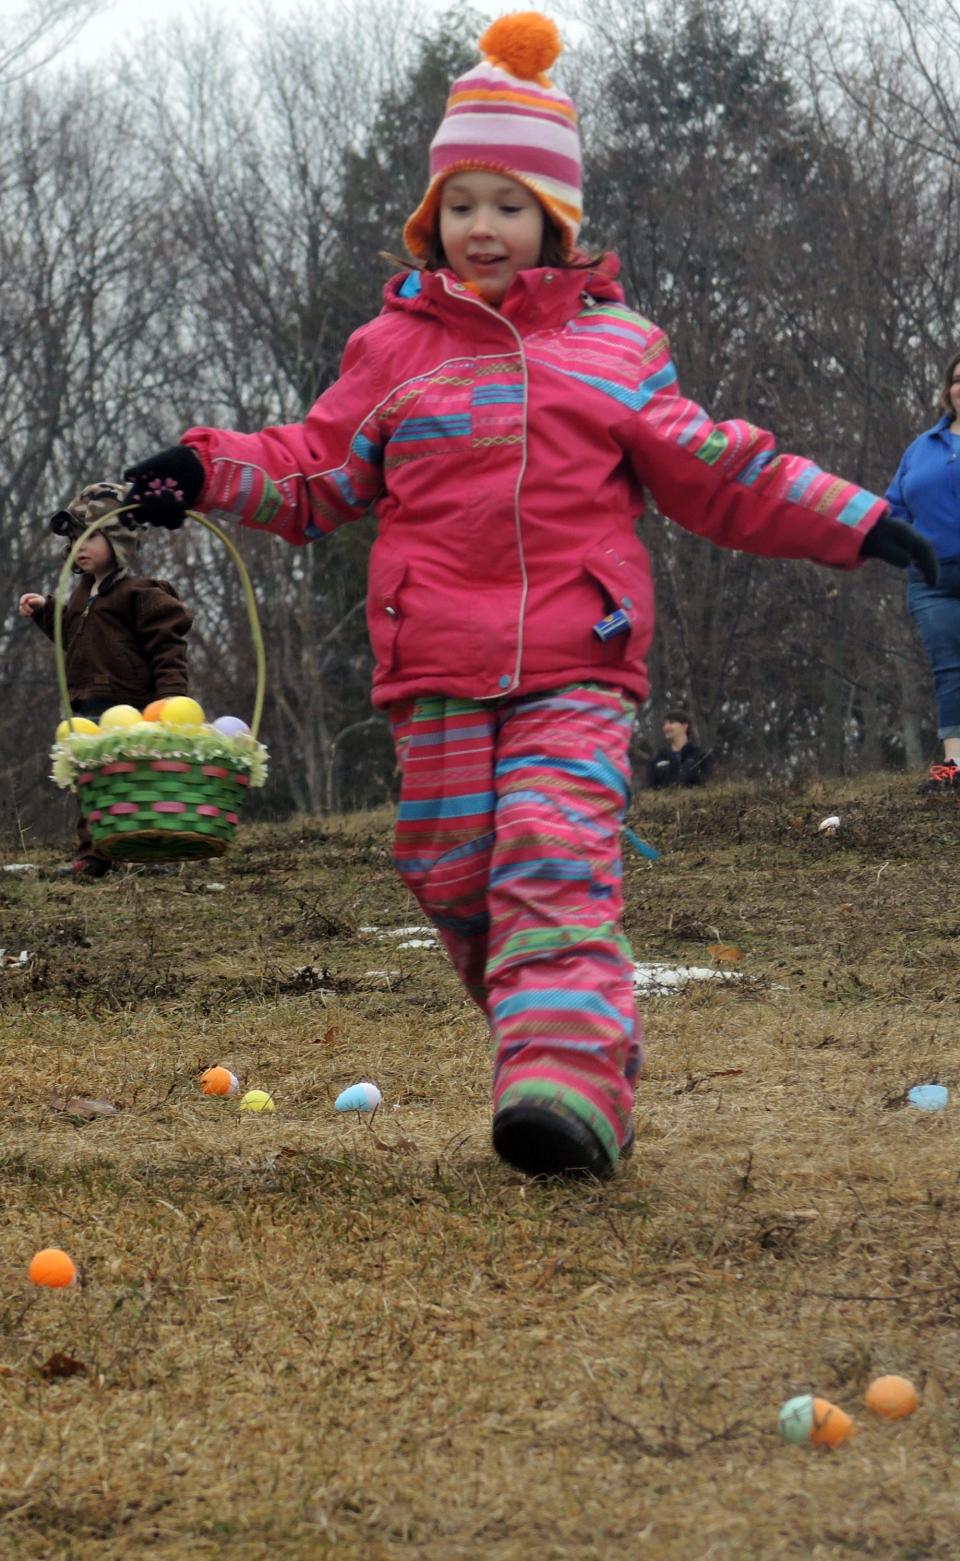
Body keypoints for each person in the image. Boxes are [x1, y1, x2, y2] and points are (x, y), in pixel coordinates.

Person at [118, 12, 935, 1177]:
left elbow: (720, 470)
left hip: (577, 658)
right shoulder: (396, 353)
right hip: (436, 667)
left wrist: (863, 522)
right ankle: (552, 1051)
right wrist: (200, 471)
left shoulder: (614, 350)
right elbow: (314, 471)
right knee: (452, 870)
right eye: (462, 204)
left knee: (550, 855)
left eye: (509, 204)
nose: (483, 227)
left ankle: (569, 1090)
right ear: (433, 219)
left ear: (554, 220)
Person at [19, 481, 193, 879]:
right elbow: (73, 635)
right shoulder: (82, 594)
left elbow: (168, 648)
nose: (80, 546)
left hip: (132, 706)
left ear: (119, 539)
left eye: (92, 536)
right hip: (88, 705)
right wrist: (47, 612)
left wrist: (170, 701)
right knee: (93, 782)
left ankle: (156, 852)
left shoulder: (139, 594)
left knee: (141, 782)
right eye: (76, 538)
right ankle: (95, 855)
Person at [886, 351, 960, 793]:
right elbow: (894, 506)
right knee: (949, 668)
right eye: (956, 379)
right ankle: (955, 768)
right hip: (932, 581)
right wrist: (910, 546)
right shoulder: (921, 447)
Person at [646, 709, 713, 788]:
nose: (666, 727)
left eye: (671, 723)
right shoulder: (657, 759)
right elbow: (649, 790)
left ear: (684, 726)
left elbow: (708, 785)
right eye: (665, 724)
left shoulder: (701, 756)